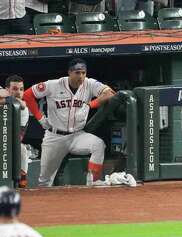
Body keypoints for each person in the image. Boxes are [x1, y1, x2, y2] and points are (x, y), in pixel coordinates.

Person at [23, 58, 116, 186]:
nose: (81, 76)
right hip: (55, 137)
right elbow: (28, 95)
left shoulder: (89, 84)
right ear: (69, 72)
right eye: (77, 73)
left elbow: (110, 93)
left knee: (98, 145)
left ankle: (93, 181)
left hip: (77, 135)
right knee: (45, 181)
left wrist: (91, 104)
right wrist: (39, 118)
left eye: (83, 72)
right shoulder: (54, 84)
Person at [5, 75, 31, 188]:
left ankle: (21, 181)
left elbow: (17, 137)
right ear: (7, 90)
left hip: (6, 146)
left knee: (22, 148)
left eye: (21, 89)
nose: (19, 92)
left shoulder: (23, 110)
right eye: (14, 89)